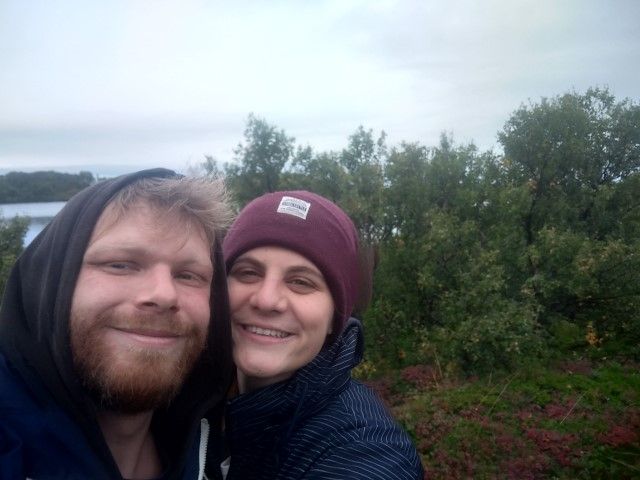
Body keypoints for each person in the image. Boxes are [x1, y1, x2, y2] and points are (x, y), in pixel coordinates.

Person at [0, 168, 234, 480]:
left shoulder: (215, 441)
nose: (164, 295)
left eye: (188, 275)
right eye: (120, 265)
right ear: (51, 282)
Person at [214, 191, 424, 479]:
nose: (266, 300)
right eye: (248, 273)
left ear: (334, 318)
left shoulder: (365, 452)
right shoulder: (188, 396)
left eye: (301, 282)